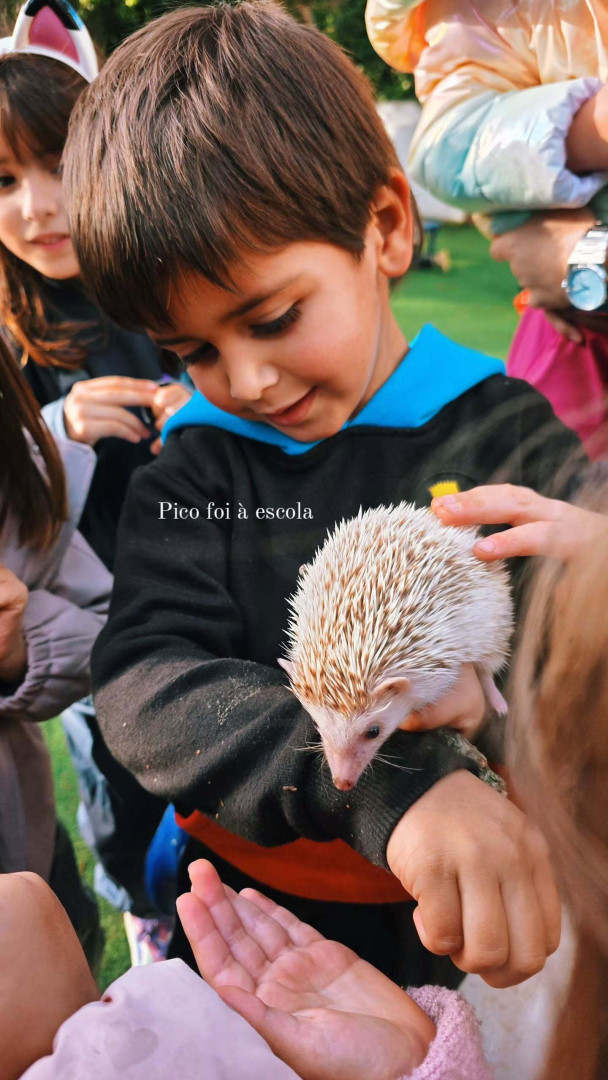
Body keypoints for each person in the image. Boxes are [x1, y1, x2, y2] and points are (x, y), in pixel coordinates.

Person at [62, 1, 581, 989]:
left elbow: (569, 662)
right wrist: (391, 789)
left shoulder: (503, 430)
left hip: (490, 934)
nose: (246, 380)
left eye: (273, 316)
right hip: (258, 935)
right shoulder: (195, 474)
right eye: (194, 351)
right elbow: (141, 681)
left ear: (385, 227)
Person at [8, 482, 608, 1080]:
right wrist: (403, 787)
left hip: (417, 911)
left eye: (367, 738)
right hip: (266, 889)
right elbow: (142, 691)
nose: (342, 775)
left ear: (396, 695)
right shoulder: (188, 484)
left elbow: (541, 675)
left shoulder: (512, 438)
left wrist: (481, 724)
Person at [0, 0, 192, 958]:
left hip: (203, 588)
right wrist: (55, 430)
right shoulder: (9, 340)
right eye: (1, 180)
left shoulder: (162, 281)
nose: (38, 205)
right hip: (88, 640)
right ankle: (145, 926)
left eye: (58, 165)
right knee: (121, 783)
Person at [365, 0, 608, 458]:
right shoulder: (490, 12)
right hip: (577, 333)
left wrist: (588, 260)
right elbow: (448, 143)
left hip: (572, 281)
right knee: (544, 485)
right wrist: (594, 125)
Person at [0, 332, 110, 971]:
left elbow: (101, 628)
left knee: (69, 966)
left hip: (22, 839)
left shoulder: (21, 478)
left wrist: (17, 645)